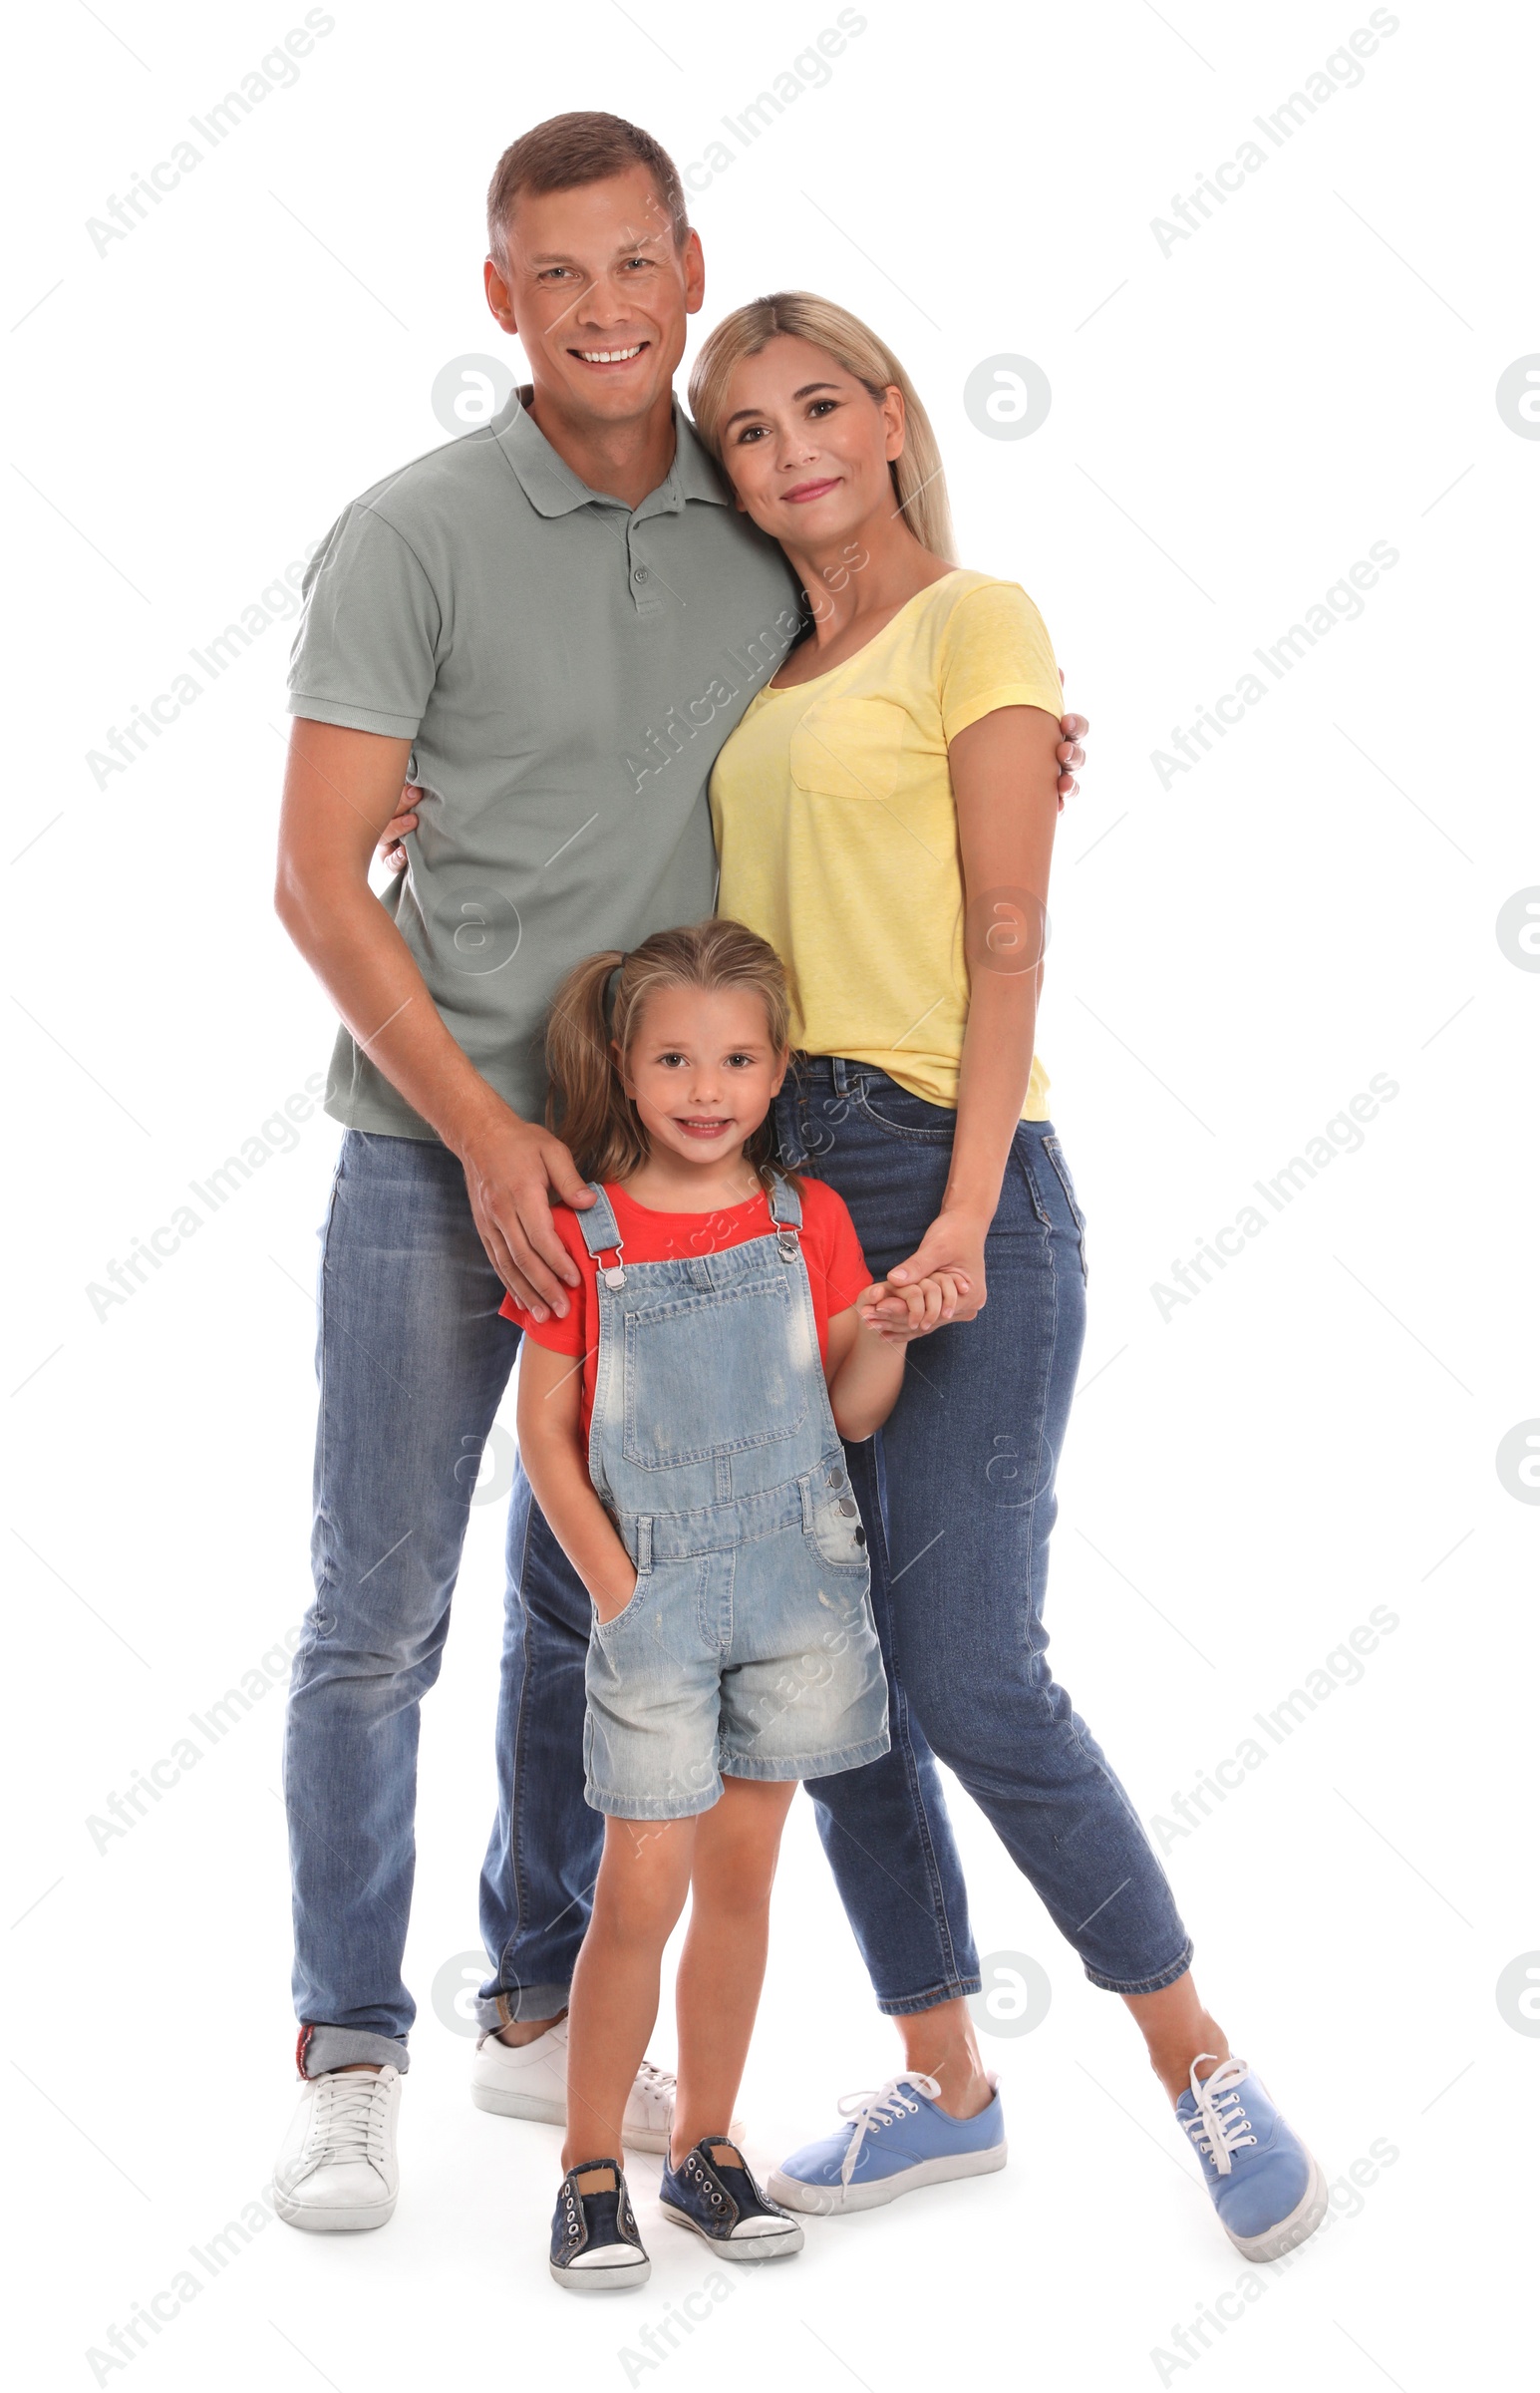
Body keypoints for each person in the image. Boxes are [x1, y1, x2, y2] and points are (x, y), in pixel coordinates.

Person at [385, 295, 1326, 2265]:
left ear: (892, 418)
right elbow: (640, 845)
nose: (788, 446)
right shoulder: (758, 665)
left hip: (940, 1161)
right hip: (767, 1184)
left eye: (821, 404)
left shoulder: (976, 625)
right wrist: (430, 802)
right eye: (744, 428)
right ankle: (944, 2083)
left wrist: (969, 1210)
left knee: (973, 1667)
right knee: (833, 1684)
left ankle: (1194, 2059)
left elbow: (1000, 937)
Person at [270, 110, 1085, 2233]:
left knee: (580, 1599)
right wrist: (482, 1127)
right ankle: (347, 2043)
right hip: (427, 1150)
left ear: (683, 259)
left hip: (675, 1183)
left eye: (636, 265)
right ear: (499, 300)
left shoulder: (753, 526)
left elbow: (874, 687)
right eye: (556, 276)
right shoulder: (412, 532)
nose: (603, 309)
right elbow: (308, 880)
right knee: (380, 1606)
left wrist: (1023, 744)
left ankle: (537, 2005)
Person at [499, 919, 960, 2286]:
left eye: (740, 1059)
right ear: (628, 1068)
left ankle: (705, 2150)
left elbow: (851, 1410)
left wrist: (880, 1326)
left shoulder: (802, 1218)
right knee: (637, 1894)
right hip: (657, 1603)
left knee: (745, 1885)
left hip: (798, 1598)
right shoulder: (588, 1231)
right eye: (677, 1059)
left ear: (778, 1074)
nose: (708, 1088)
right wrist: (618, 1591)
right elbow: (544, 1433)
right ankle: (591, 2169)